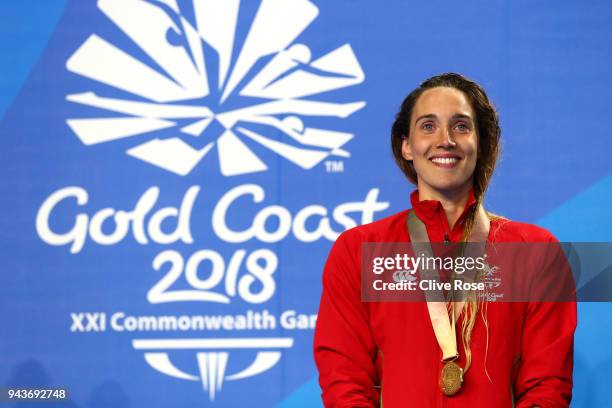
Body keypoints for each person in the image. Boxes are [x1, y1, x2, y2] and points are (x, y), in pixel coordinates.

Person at [313, 73, 576, 407]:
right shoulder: (358, 250)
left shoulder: (534, 252)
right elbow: (344, 379)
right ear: (406, 146)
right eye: (427, 126)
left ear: (481, 143)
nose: (445, 140)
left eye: (461, 126)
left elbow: (547, 385)